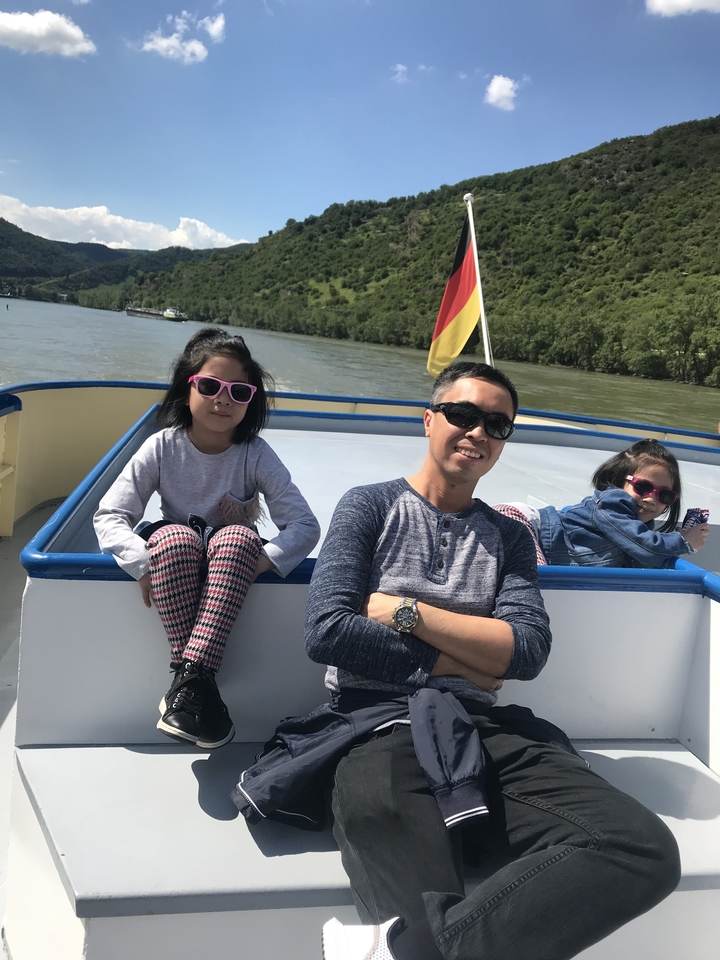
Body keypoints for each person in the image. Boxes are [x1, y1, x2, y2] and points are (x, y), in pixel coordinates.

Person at [289, 360, 678, 960]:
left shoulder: (510, 538)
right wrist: (464, 664)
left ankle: (390, 951)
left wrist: (403, 611)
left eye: (497, 425)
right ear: (428, 420)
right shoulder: (367, 506)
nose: (478, 432)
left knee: (641, 847)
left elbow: (526, 650)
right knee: (422, 911)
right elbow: (329, 631)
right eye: (463, 415)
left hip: (482, 730)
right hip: (375, 728)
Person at [94, 327, 320, 749]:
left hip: (229, 553)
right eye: (211, 385)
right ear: (188, 388)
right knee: (176, 540)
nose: (223, 398)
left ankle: (187, 682)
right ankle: (200, 684)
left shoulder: (255, 453)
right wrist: (139, 563)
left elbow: (305, 525)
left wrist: (262, 561)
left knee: (237, 538)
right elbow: (111, 514)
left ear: (251, 400)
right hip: (177, 548)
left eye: (239, 391)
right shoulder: (162, 447)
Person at [493, 438, 709, 567]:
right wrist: (684, 543)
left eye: (665, 495)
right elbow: (647, 548)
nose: (651, 498)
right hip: (522, 522)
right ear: (618, 482)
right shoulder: (612, 504)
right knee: (536, 582)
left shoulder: (640, 530)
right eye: (643, 487)